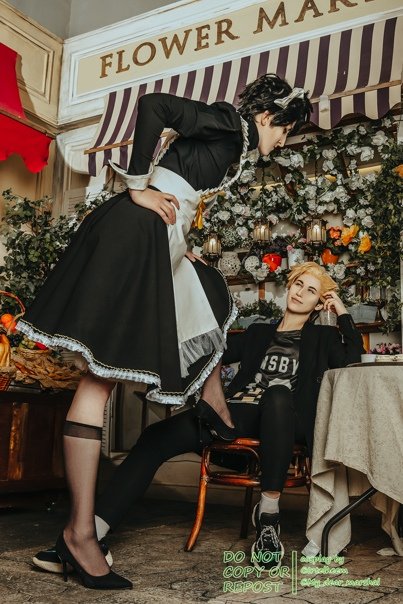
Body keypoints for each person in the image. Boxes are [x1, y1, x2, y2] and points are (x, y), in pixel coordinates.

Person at [19, 74, 311, 588]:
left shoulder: (233, 139)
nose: (283, 141)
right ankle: (81, 534)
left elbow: (181, 182)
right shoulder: (230, 123)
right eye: (284, 130)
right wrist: (137, 188)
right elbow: (154, 104)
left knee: (207, 290)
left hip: (158, 239)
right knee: (98, 383)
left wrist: (181, 245)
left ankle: (210, 407)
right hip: (139, 236)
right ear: (268, 117)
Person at [33, 261, 364, 575]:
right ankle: (88, 535)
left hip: (282, 423)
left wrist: (342, 312)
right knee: (154, 438)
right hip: (233, 417)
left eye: (311, 291)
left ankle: (268, 516)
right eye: (298, 284)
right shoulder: (258, 333)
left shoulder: (322, 339)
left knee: (277, 393)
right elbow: (211, 351)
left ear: (319, 304)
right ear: (289, 286)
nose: (300, 292)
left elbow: (352, 361)